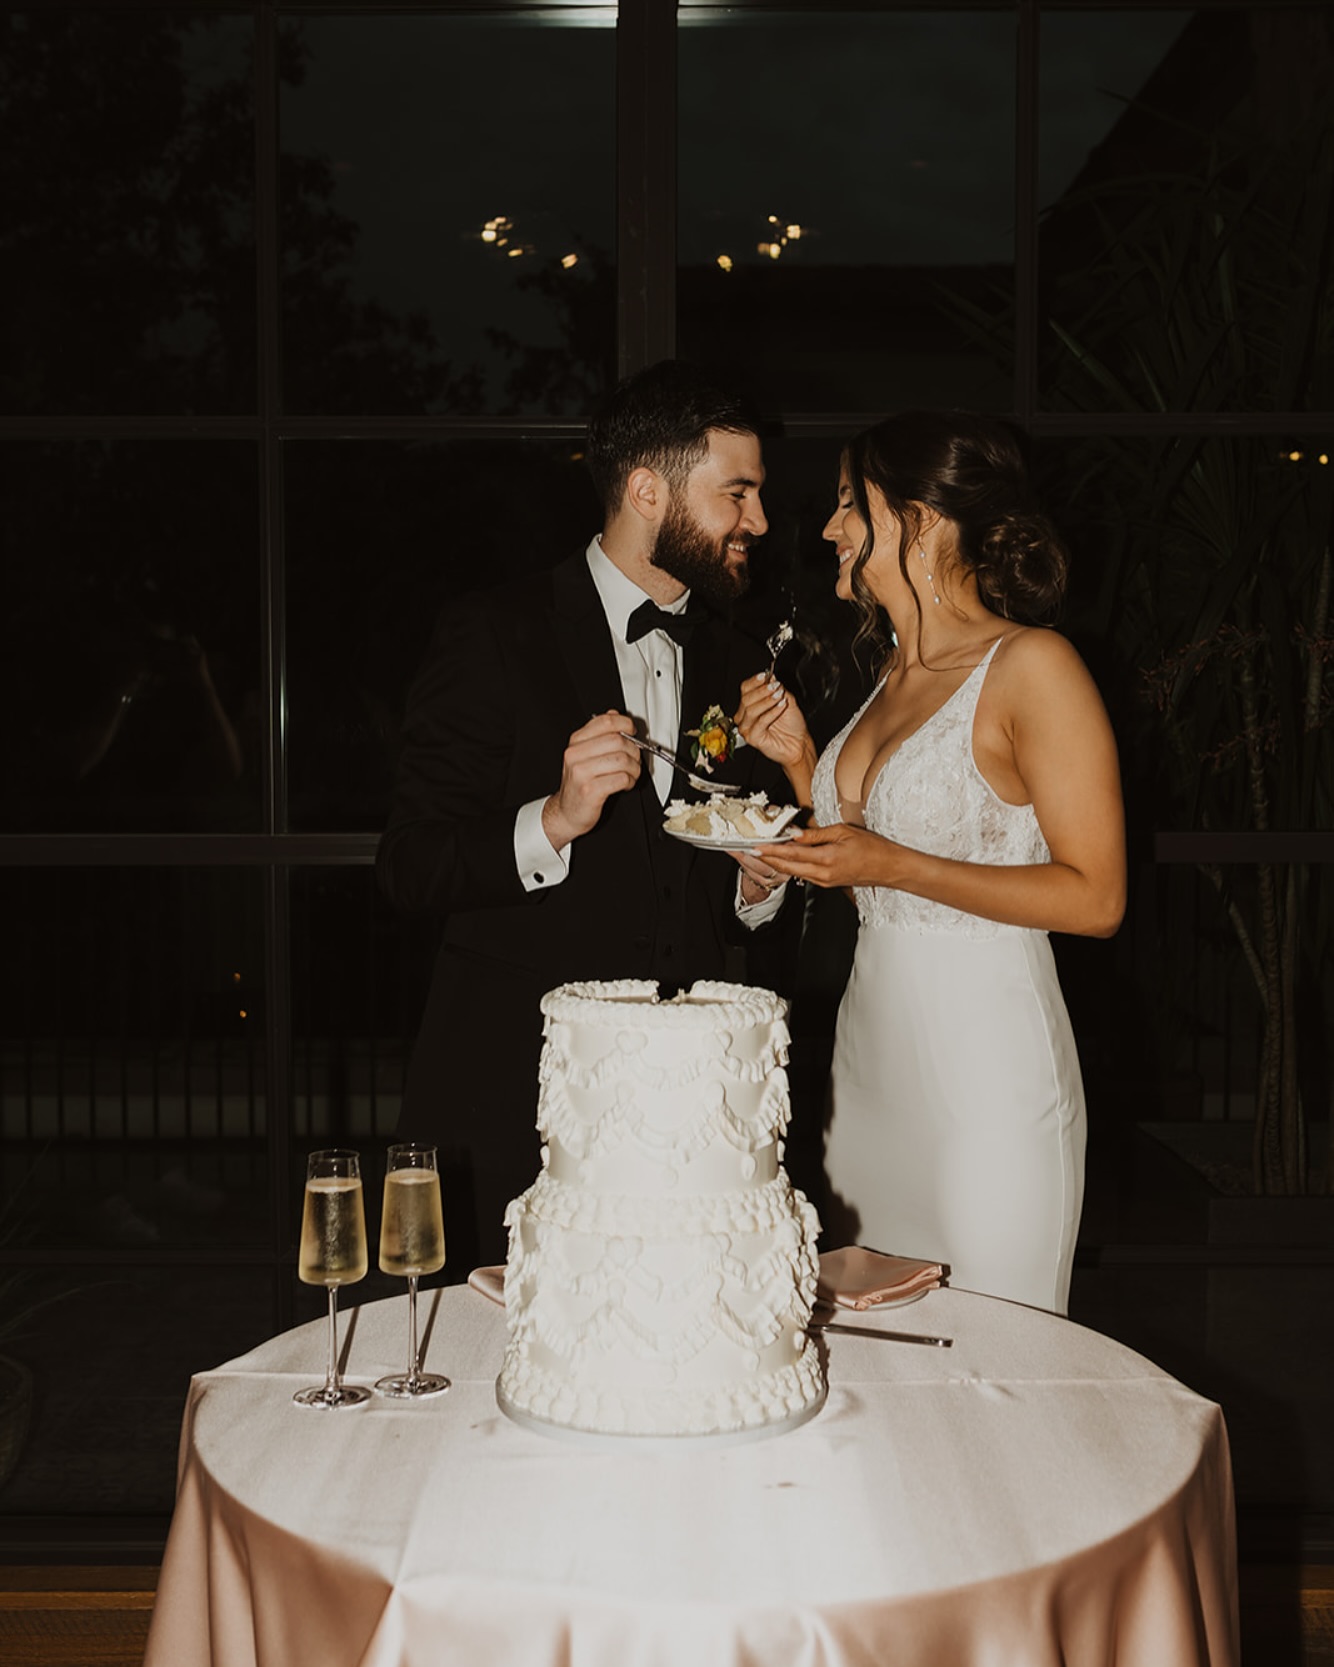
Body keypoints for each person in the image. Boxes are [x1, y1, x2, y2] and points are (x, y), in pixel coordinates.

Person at [377, 361, 793, 1272]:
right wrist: (554, 819)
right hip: (515, 1100)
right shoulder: (494, 632)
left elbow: (707, 893)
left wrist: (758, 887)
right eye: (737, 493)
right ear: (648, 491)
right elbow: (410, 864)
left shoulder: (737, 659)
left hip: (686, 1114)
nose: (759, 521)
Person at [735, 410, 1125, 1314]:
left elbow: (1098, 897)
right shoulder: (888, 676)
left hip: (988, 1075)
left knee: (998, 1346)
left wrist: (894, 862)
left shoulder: (1033, 664)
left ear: (921, 517)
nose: (827, 528)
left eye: (848, 503)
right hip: (871, 1070)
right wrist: (800, 762)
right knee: (875, 1352)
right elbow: (869, 872)